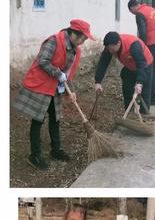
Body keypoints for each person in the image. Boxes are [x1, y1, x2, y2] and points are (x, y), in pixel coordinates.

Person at [13, 20, 94, 170]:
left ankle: (56, 150)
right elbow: (42, 60)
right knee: (38, 120)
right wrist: (58, 74)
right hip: (41, 84)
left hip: (55, 86)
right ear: (74, 34)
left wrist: (72, 89)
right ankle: (35, 155)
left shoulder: (75, 50)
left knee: (55, 118)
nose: (84, 42)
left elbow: (68, 72)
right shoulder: (54, 41)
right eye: (83, 38)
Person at [94, 32, 154, 118]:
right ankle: (129, 114)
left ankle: (144, 116)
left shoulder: (133, 45)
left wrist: (139, 83)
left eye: (112, 49)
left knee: (144, 91)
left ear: (118, 43)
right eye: (108, 49)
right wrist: (98, 81)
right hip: (130, 67)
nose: (110, 51)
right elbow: (103, 63)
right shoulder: (110, 47)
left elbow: (141, 64)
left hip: (145, 64)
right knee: (127, 88)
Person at [128, 0, 155, 105]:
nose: (133, 14)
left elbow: (142, 32)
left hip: (153, 46)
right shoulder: (151, 9)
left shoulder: (139, 14)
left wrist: (141, 47)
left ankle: (152, 99)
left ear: (133, 7)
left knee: (150, 72)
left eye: (132, 12)